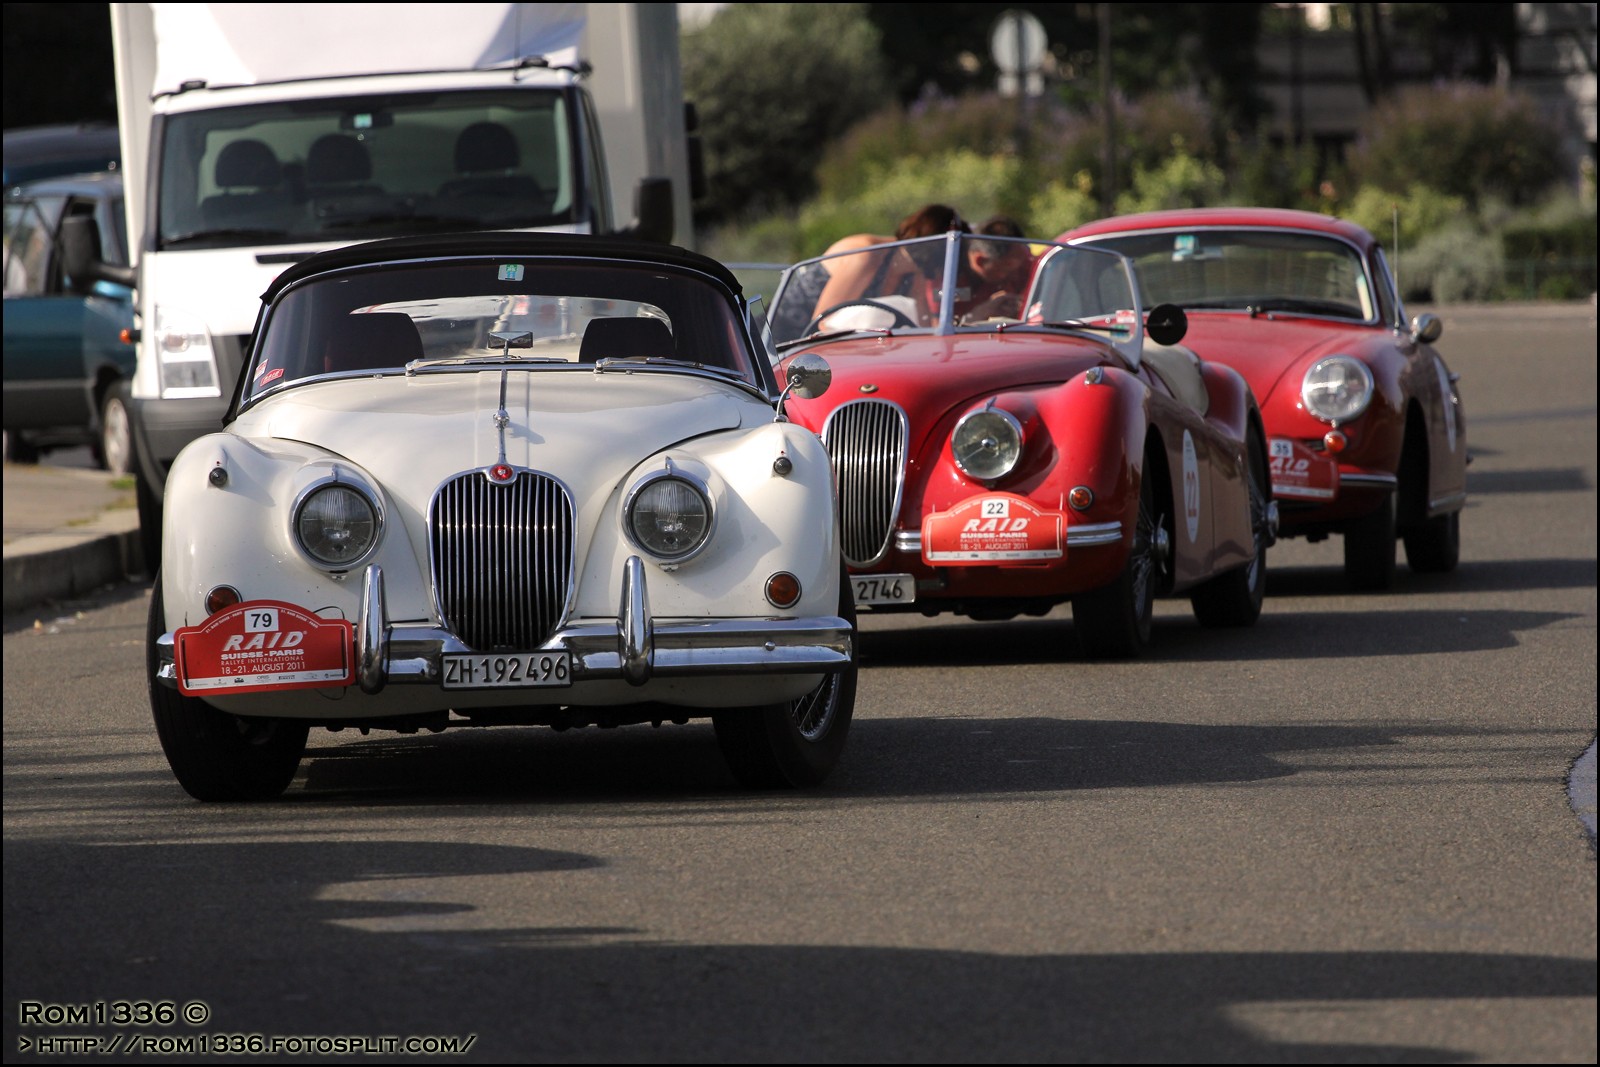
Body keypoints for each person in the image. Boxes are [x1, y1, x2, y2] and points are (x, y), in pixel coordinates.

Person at [808, 204, 969, 325]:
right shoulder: (866, 256)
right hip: (793, 340)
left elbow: (922, 324)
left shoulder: (915, 275)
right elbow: (822, 323)